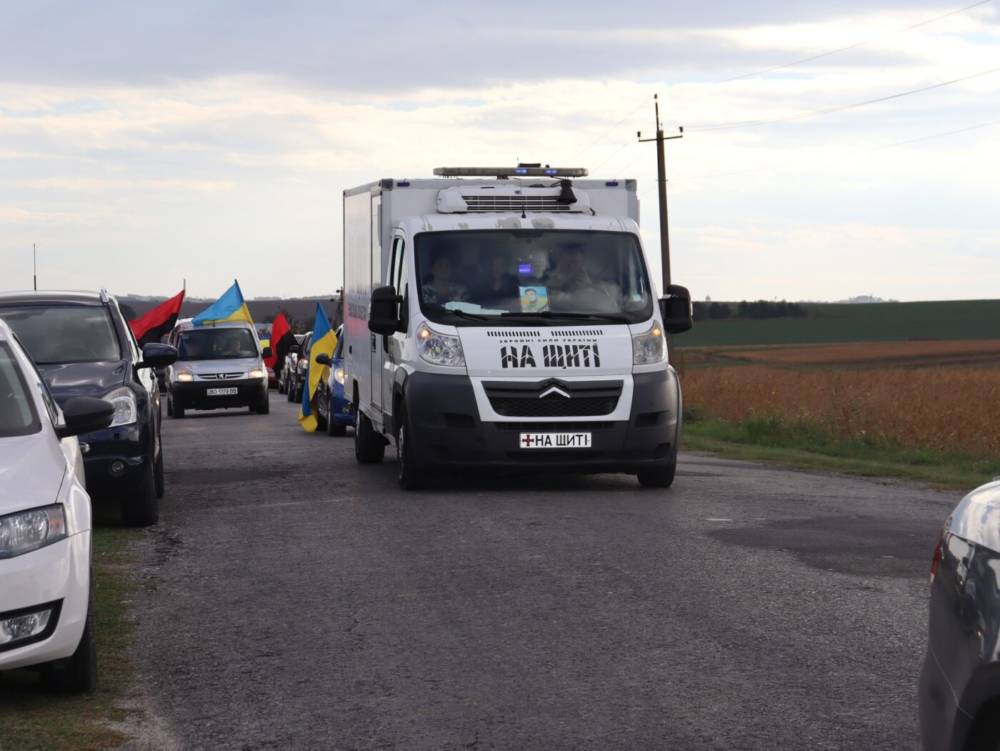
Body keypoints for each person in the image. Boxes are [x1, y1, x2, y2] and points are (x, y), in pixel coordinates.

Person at [545, 241, 621, 312]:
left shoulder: (603, 286)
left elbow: (611, 306)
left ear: (583, 259)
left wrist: (588, 287)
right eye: (566, 262)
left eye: (574, 262)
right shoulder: (547, 282)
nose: (571, 266)